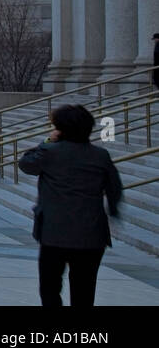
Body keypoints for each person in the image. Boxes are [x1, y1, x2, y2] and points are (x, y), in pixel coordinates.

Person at [18, 105, 123, 306]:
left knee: (50, 288)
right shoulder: (100, 155)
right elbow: (114, 188)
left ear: (60, 129)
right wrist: (113, 209)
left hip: (54, 233)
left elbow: (26, 164)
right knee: (84, 288)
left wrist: (48, 140)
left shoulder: (49, 152)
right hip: (91, 234)